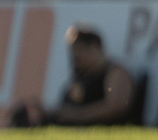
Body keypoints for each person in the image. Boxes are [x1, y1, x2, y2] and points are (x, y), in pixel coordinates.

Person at [4, 25, 140, 128]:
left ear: (94, 47)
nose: (75, 58)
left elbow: (117, 107)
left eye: (79, 52)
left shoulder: (115, 73)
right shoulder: (81, 76)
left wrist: (77, 116)